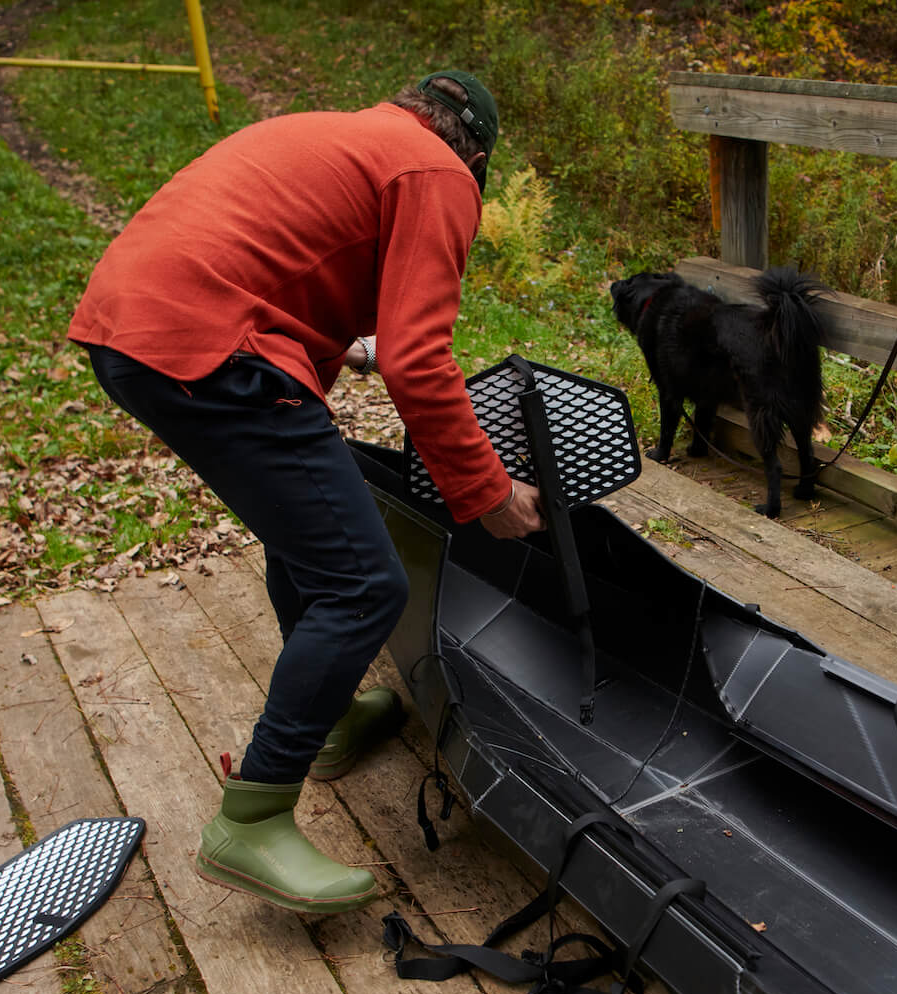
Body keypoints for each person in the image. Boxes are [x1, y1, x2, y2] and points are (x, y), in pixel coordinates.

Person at [69, 72, 543, 915]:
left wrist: (342, 349)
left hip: (128, 326)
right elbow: (421, 361)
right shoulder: (438, 174)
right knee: (363, 583)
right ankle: (251, 818)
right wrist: (486, 492)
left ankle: (327, 724)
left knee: (309, 541)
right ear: (473, 156)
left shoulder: (345, 132)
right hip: (210, 347)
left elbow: (284, 260)